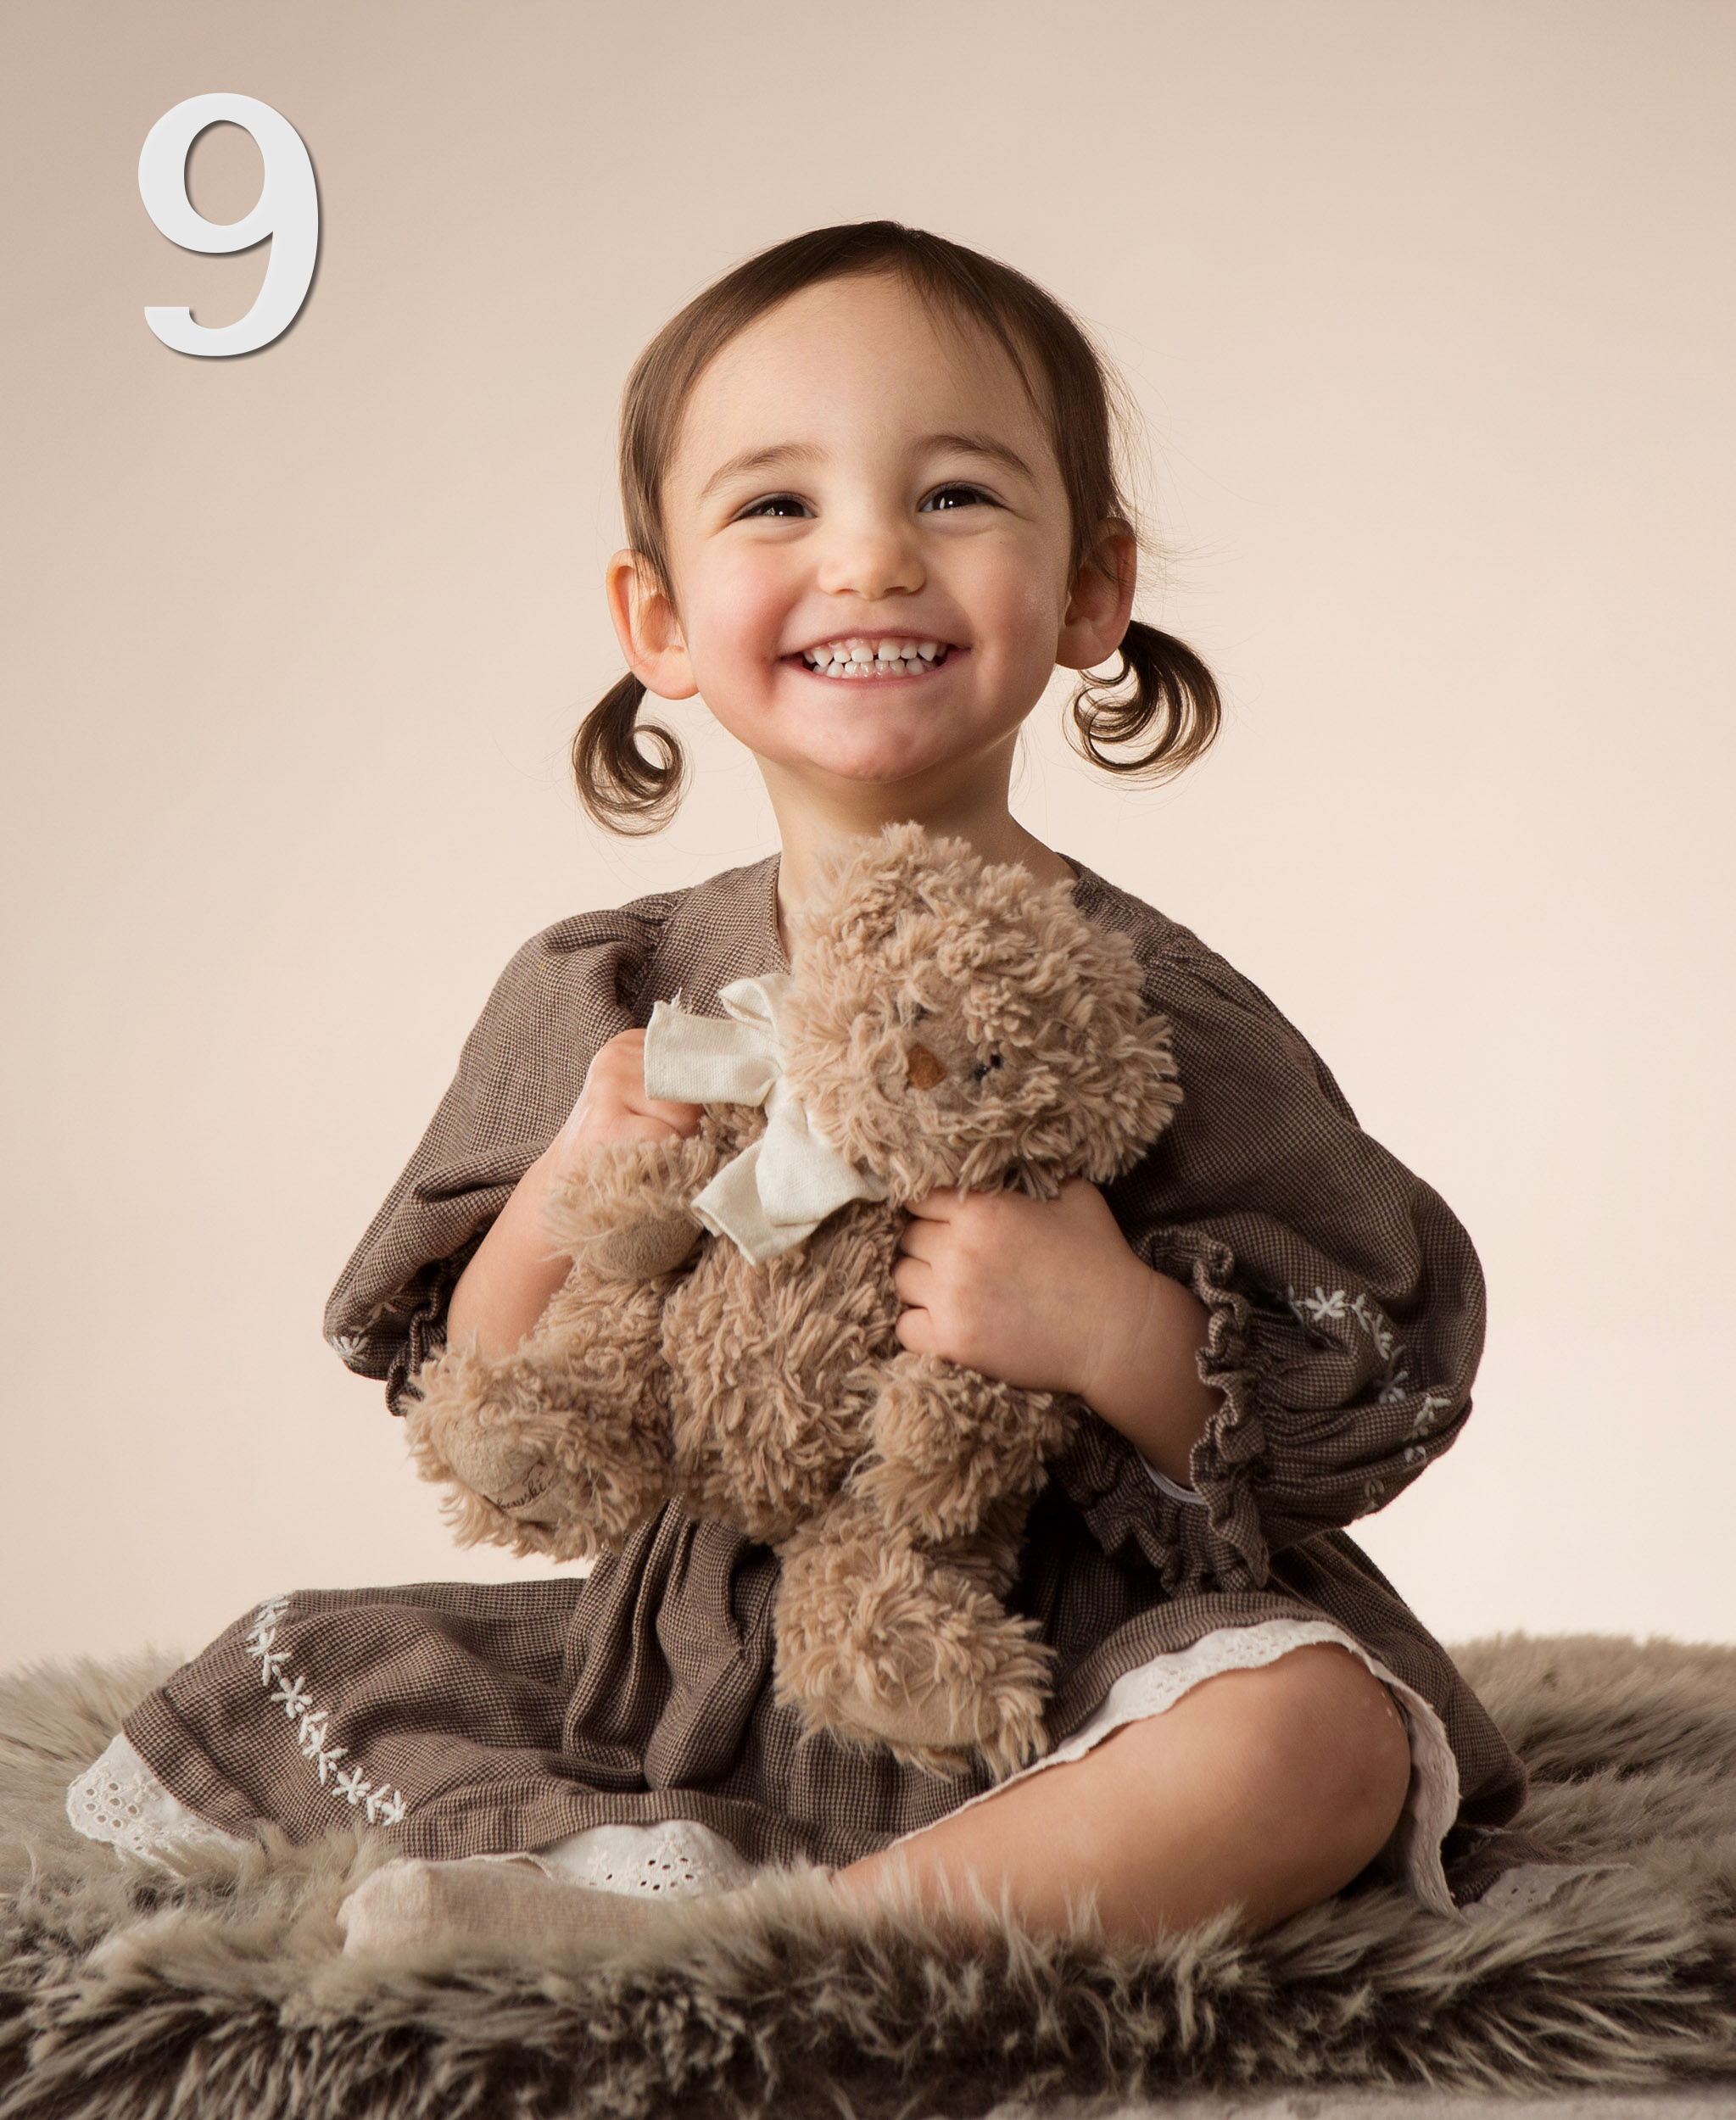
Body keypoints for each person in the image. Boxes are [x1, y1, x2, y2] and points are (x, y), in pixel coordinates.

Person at [67, 222, 1527, 1955]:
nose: (871, 559)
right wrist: (564, 1195)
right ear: (661, 619)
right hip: (698, 1666)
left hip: (1077, 1664)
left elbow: (1369, 1382)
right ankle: (685, 1887)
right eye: (777, 504)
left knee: (1312, 1736)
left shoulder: (1156, 1009)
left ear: (1089, 592)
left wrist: (1113, 1326)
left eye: (956, 495)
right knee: (313, 1665)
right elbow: (489, 1407)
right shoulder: (612, 994)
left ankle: (802, 1939)